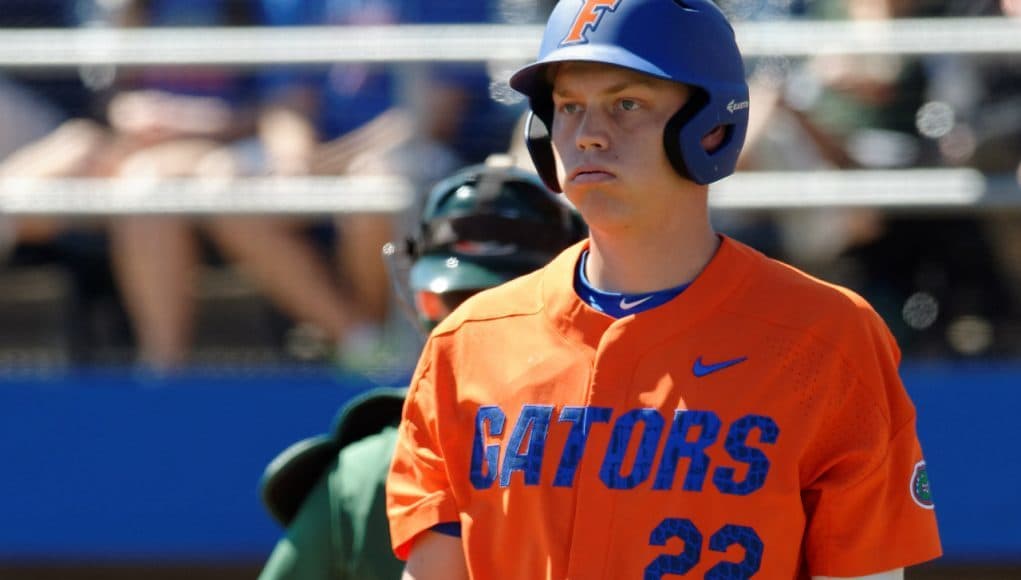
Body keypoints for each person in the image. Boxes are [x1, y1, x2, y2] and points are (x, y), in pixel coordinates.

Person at [385, 1, 942, 579]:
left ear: (713, 126)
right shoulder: (466, 344)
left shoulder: (828, 338)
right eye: (569, 106)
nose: (589, 135)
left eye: (627, 104)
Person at [256, 157, 586, 580]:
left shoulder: (365, 469)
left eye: (500, 301)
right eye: (456, 301)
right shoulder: (629, 436)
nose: (471, 323)